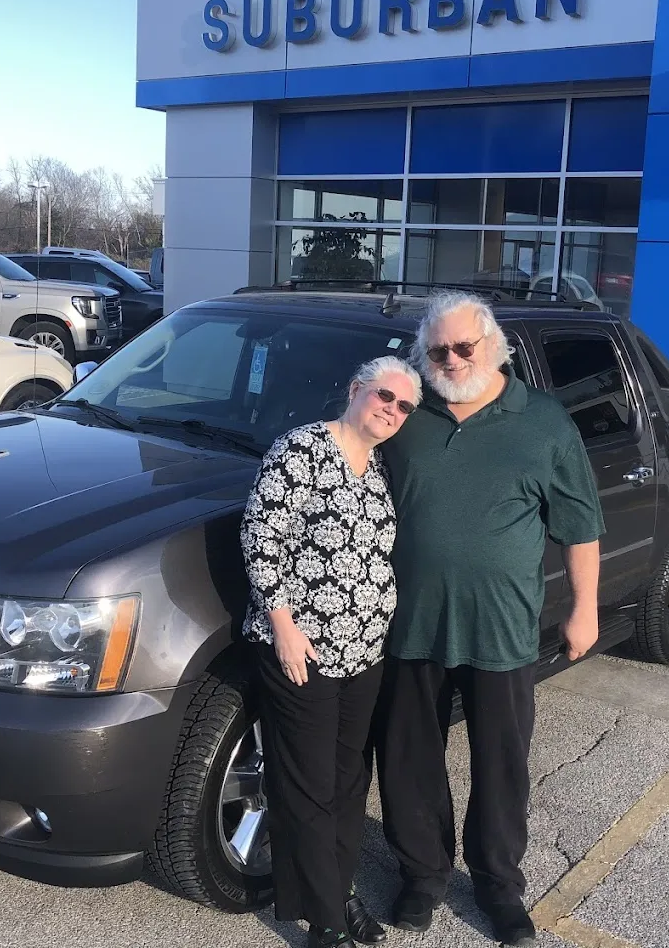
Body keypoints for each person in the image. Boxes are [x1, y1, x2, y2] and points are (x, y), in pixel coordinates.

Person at [375, 291, 605, 948]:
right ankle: (422, 873)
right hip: (410, 624)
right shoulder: (405, 412)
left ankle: (498, 884)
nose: (449, 360)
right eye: (437, 350)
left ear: (493, 345)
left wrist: (583, 610)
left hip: (502, 630)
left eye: (462, 348)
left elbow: (581, 525)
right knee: (408, 756)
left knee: (501, 761)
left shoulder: (543, 422)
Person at [242, 355, 424, 948]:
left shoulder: (378, 468)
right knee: (309, 786)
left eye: (404, 406)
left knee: (348, 783)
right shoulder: (303, 449)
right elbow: (260, 534)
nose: (392, 410)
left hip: (364, 654)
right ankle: (325, 922)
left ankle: (339, 895)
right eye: (384, 396)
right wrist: (284, 625)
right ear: (355, 390)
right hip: (304, 650)